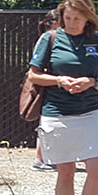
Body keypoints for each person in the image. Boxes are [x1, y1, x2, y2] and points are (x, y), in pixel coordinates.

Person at [27, 0, 98, 195]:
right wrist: (59, 80)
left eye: (78, 18)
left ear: (88, 18)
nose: (72, 23)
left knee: (96, 168)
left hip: (90, 112)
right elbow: (33, 76)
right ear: (62, 16)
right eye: (68, 17)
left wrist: (92, 82)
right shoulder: (50, 38)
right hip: (57, 113)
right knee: (65, 172)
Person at [31, 9, 60, 172]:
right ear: (55, 23)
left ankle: (44, 158)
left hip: (52, 83)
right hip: (47, 84)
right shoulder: (48, 37)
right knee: (47, 121)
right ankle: (40, 158)